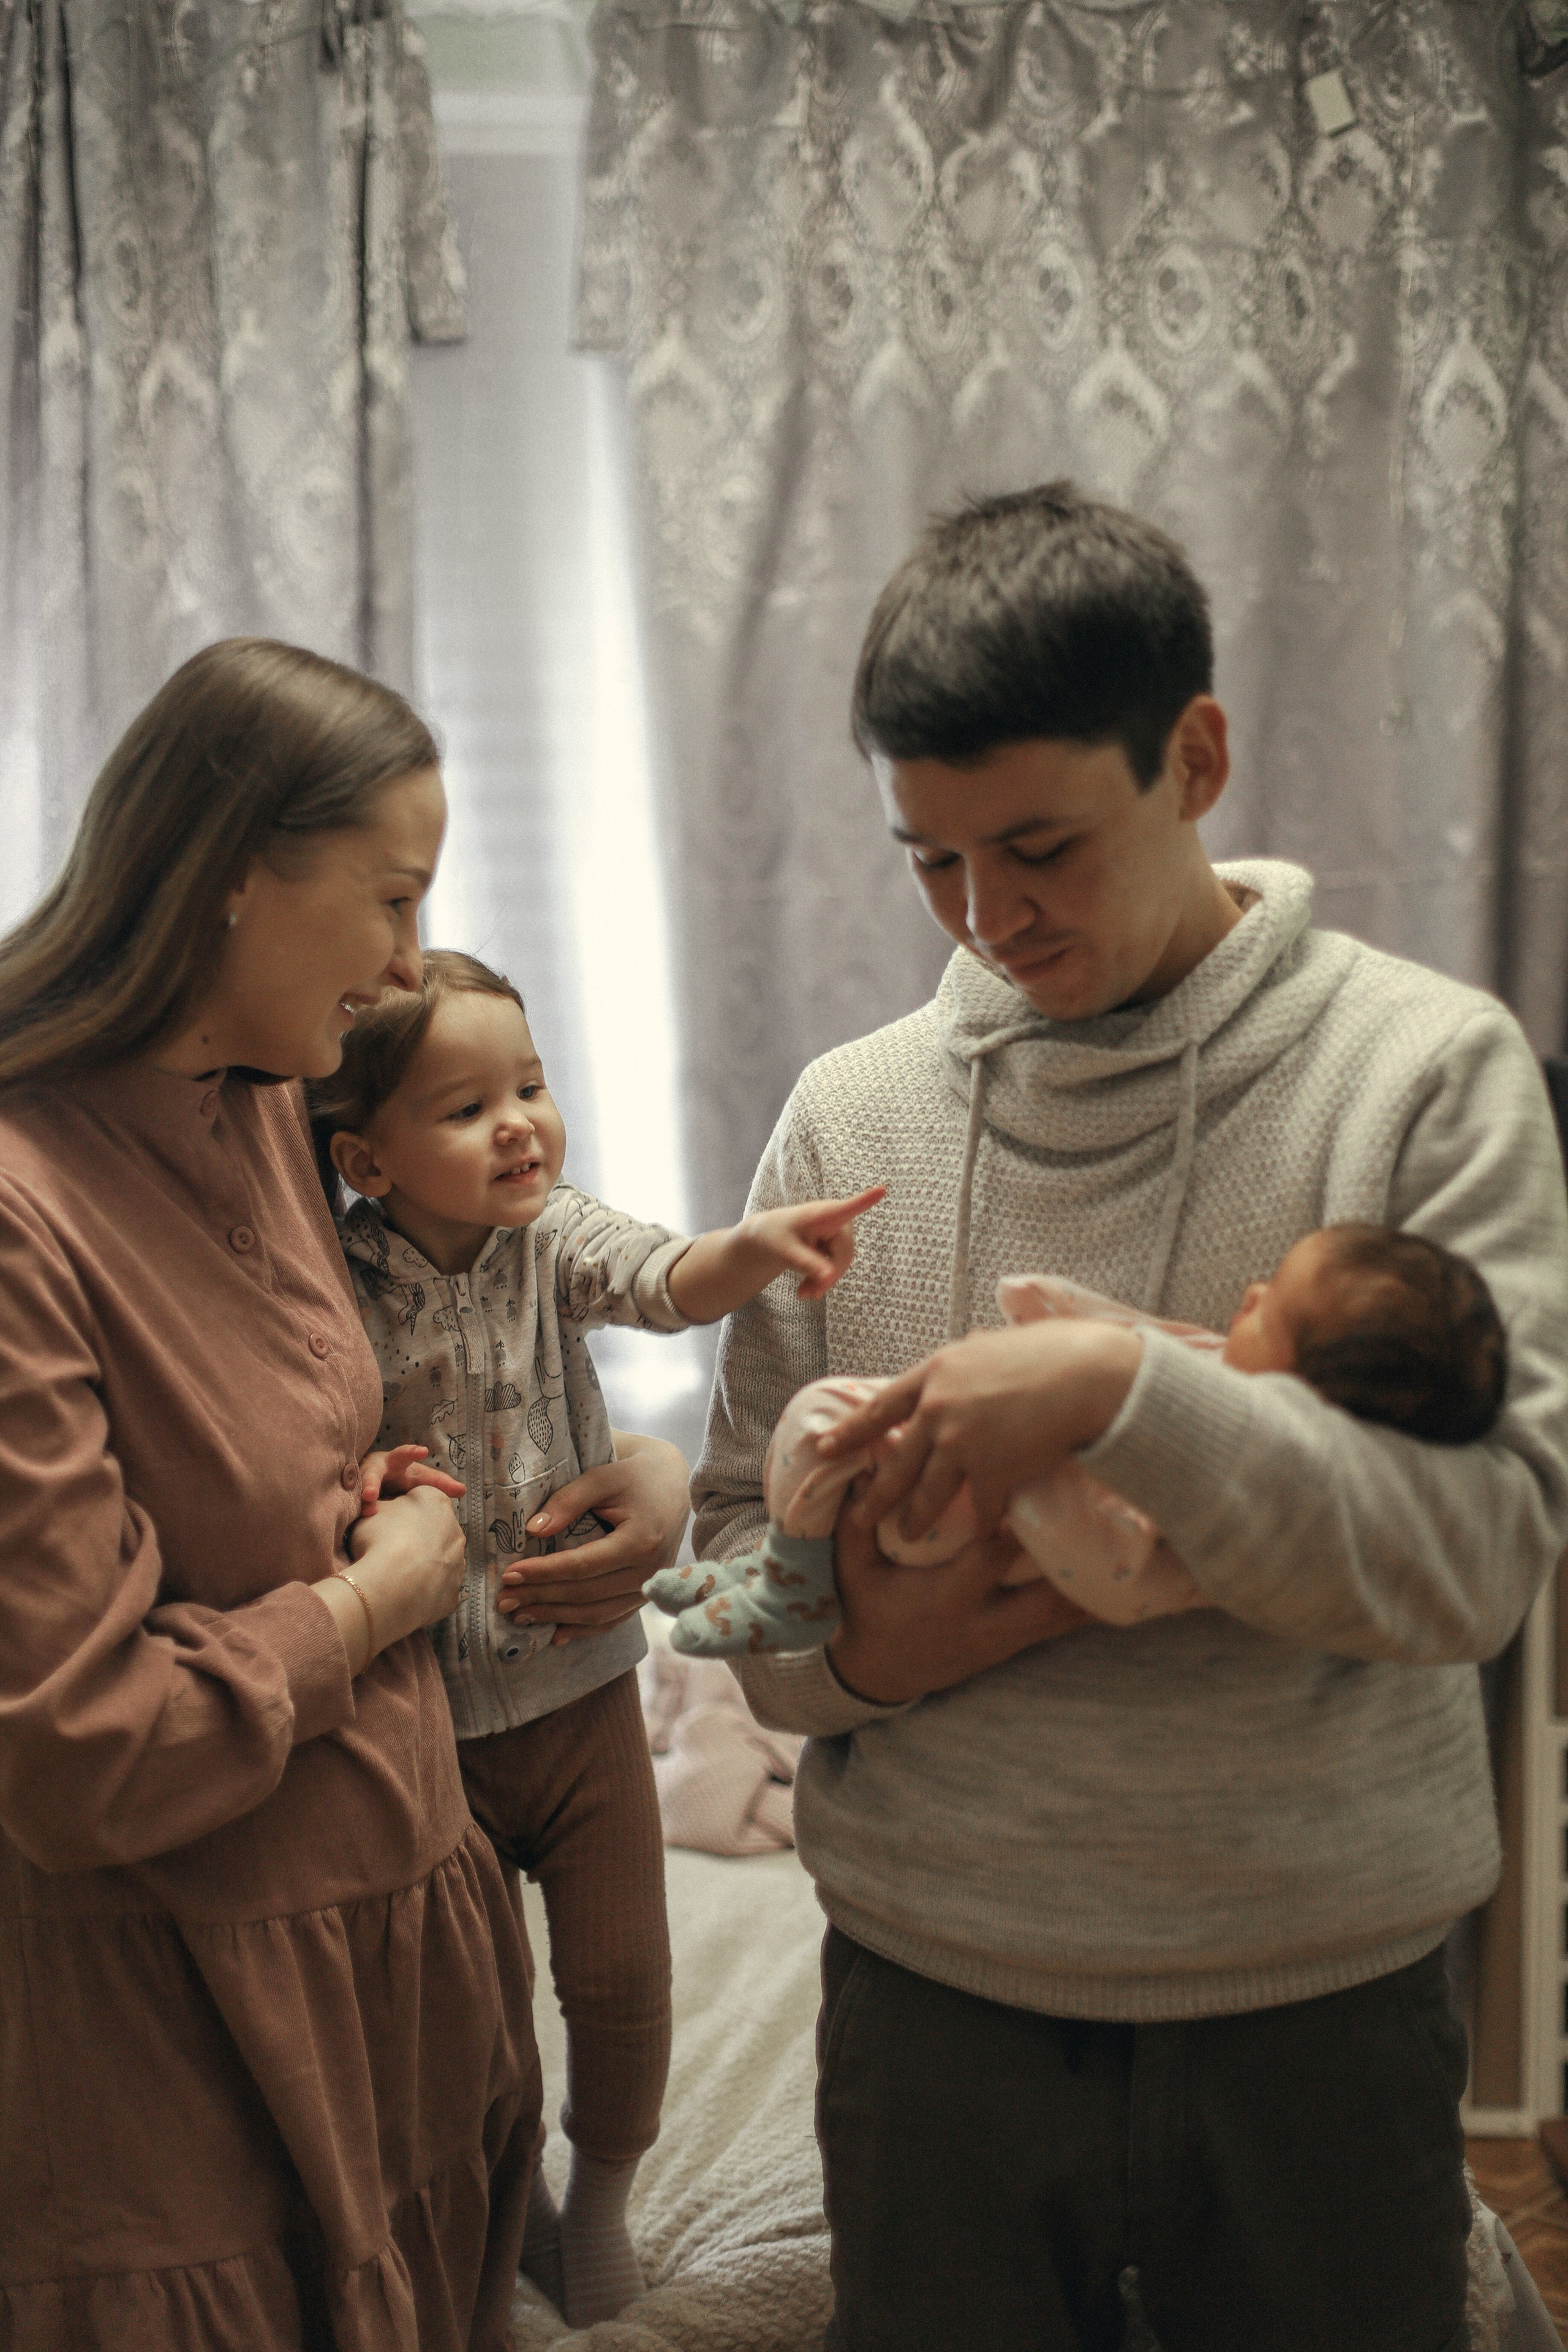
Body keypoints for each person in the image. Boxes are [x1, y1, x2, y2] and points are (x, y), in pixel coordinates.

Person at [690, 483, 1568, 2352]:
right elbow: (732, 1578)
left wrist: (1125, 1387)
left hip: (1320, 2011)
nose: (990, 919)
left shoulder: (1427, 1075)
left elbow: (1477, 1569)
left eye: (1041, 848)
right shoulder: (852, 1119)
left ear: (1198, 757)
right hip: (933, 2010)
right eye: (931, 862)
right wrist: (876, 1655)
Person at [0, 638, 692, 2352]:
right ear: (237, 873)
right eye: (392, 899)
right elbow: (78, 1744)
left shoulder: (271, 1107)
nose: (407, 959)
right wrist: (378, 1597)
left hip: (408, 1973)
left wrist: (629, 1478)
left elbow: (335, 1422)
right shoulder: (27, 1204)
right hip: (193, 2035)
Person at [307, 947, 881, 2326]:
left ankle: (606, 2197)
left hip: (578, 1697)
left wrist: (752, 1250)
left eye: (530, 1085)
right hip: (425, 1718)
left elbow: (664, 1278)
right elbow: (306, 1451)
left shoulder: (548, 1235)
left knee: (620, 1980)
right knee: (476, 2022)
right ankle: (518, 2215)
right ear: (366, 1165)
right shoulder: (332, 1284)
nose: (517, 1122)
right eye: (463, 1107)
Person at [654, 1223, 1509, 1651]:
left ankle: (796, 1589)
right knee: (815, 1425)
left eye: (1270, 1310)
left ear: (1312, 1405)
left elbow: (1114, 1579)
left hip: (956, 1518)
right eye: (940, 864)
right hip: (906, 1904)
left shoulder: (1215, 1512)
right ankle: (782, 1573)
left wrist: (1029, 1463)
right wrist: (1068, 1330)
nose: (1247, 1296)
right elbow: (1132, 1342)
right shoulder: (1219, 1369)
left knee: (825, 1421)